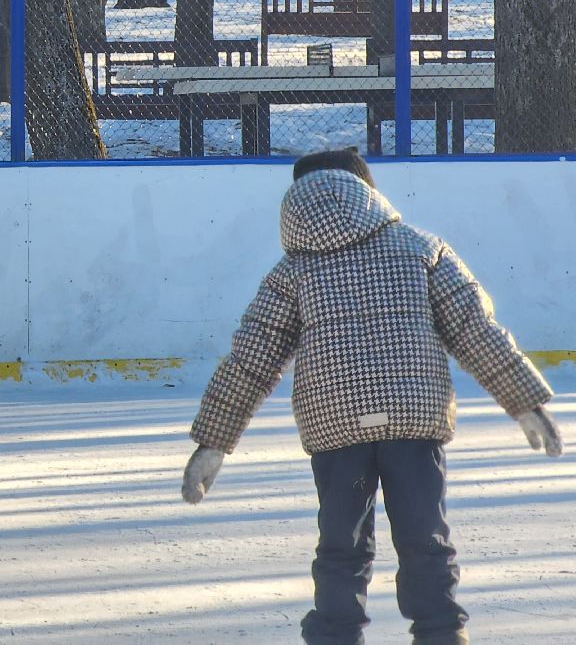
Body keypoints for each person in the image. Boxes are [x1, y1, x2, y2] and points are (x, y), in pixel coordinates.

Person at [181, 148, 562, 645]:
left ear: (295, 200)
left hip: (335, 423)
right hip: (413, 418)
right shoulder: (421, 249)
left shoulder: (291, 272)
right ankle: (441, 635)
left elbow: (251, 360)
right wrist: (524, 402)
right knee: (426, 540)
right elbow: (475, 330)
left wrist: (213, 442)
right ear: (369, 192)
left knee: (342, 546)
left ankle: (335, 637)